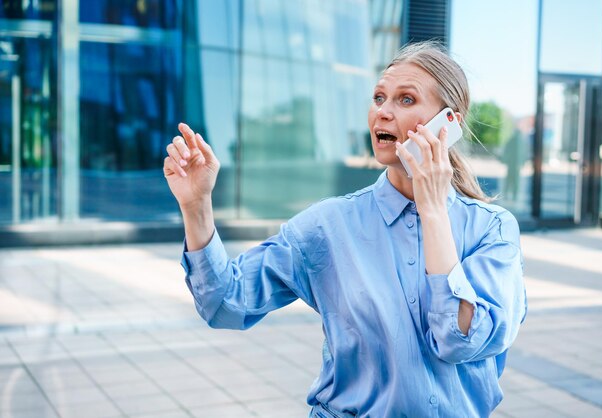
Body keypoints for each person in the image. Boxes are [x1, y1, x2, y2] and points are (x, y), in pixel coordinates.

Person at [163, 41, 527, 418]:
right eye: (379, 97)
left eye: (405, 100)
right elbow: (224, 304)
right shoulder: (329, 225)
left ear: (449, 122)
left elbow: (460, 340)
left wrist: (433, 209)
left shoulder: (493, 230)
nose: (383, 112)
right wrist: (195, 205)